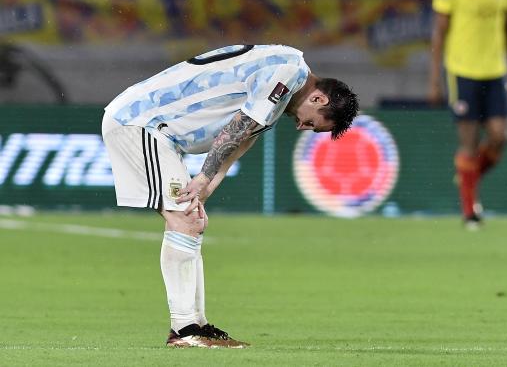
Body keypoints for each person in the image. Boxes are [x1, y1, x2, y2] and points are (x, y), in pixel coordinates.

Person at [101, 44, 358, 347]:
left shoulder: (280, 94)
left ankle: (196, 325)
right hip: (141, 122)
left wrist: (205, 188)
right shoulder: (288, 72)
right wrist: (205, 175)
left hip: (158, 132)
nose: (301, 126)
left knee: (192, 220)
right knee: (184, 220)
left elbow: (238, 145)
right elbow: (237, 128)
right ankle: (185, 331)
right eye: (311, 122)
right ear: (318, 98)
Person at [428, 0, 507, 229]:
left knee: (501, 135)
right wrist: (434, 79)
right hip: (462, 71)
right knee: (468, 141)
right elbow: (439, 33)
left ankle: (468, 177)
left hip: (495, 70)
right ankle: (470, 210)